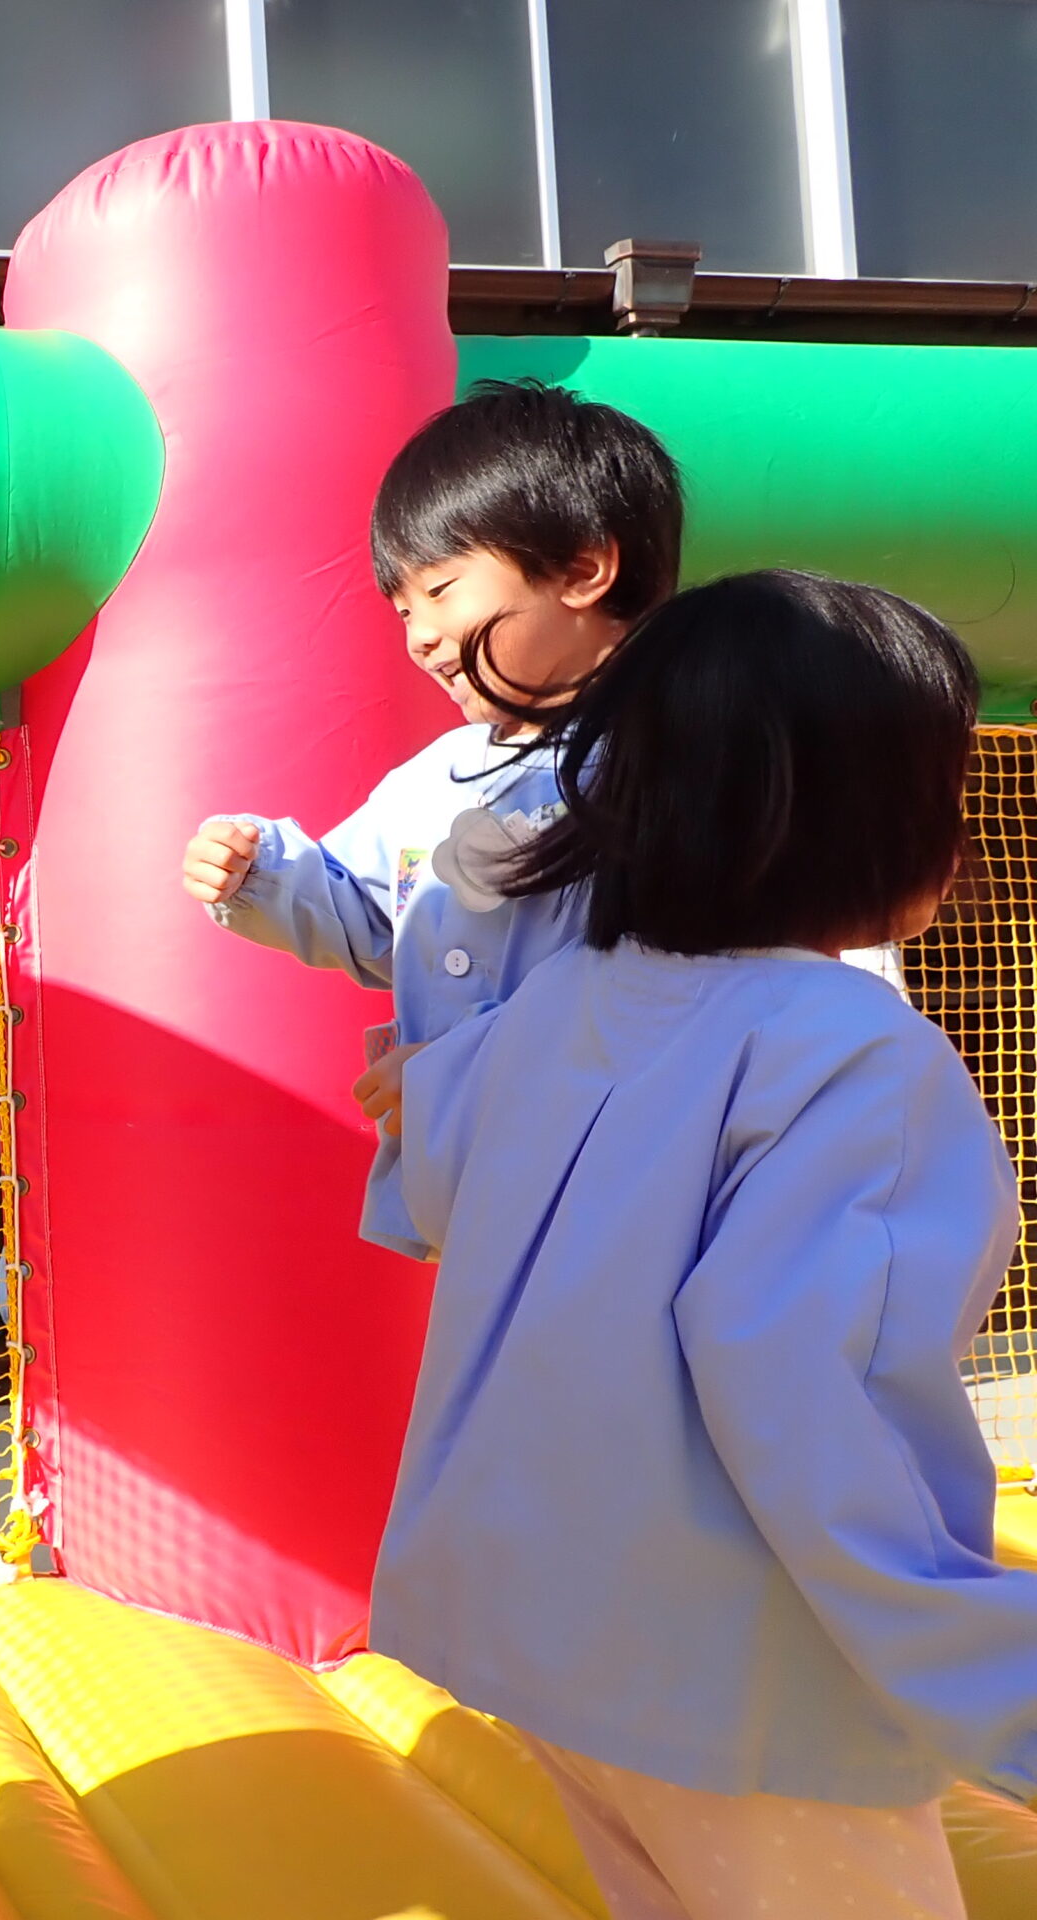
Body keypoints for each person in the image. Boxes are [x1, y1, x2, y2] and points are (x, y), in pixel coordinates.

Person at [385, 572, 1037, 1920]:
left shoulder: (567, 996)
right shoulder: (857, 1058)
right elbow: (815, 1396)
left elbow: (449, 1183)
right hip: (734, 1683)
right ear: (871, 818)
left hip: (539, 1638)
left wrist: (426, 1089)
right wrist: (994, 1681)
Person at [181, 380, 683, 1257]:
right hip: (474, 1202)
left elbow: (676, 991)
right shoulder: (432, 781)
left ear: (582, 570)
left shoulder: (675, 762)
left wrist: (473, 1072)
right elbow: (370, 914)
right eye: (404, 609)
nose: (418, 635)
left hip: (628, 1195)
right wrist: (262, 874)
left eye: (442, 590)